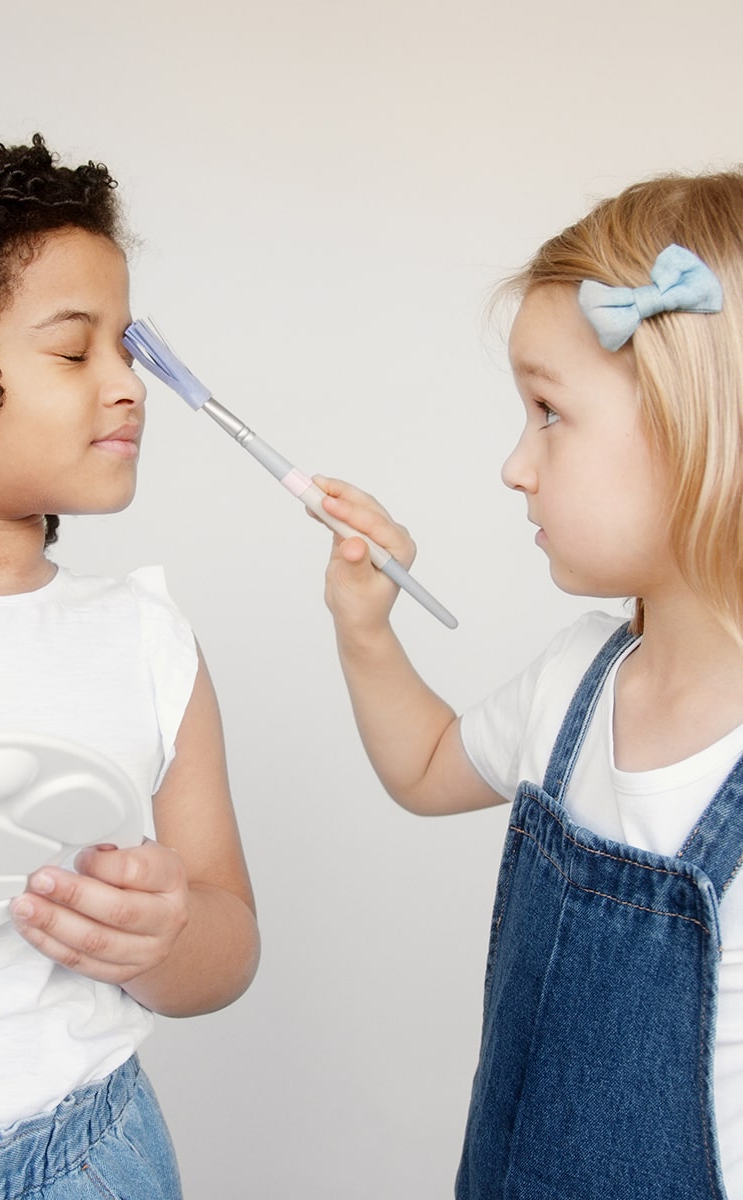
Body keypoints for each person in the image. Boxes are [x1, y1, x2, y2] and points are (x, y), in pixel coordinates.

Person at [0, 129, 259, 1199]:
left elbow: (227, 946)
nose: (127, 385)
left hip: (90, 1159)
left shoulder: (145, 640)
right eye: (76, 352)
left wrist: (161, 934)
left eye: (126, 347)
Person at [318, 171, 743, 1199]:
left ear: (697, 428)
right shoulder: (576, 681)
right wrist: (365, 627)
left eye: (549, 413)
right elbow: (425, 767)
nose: (515, 464)